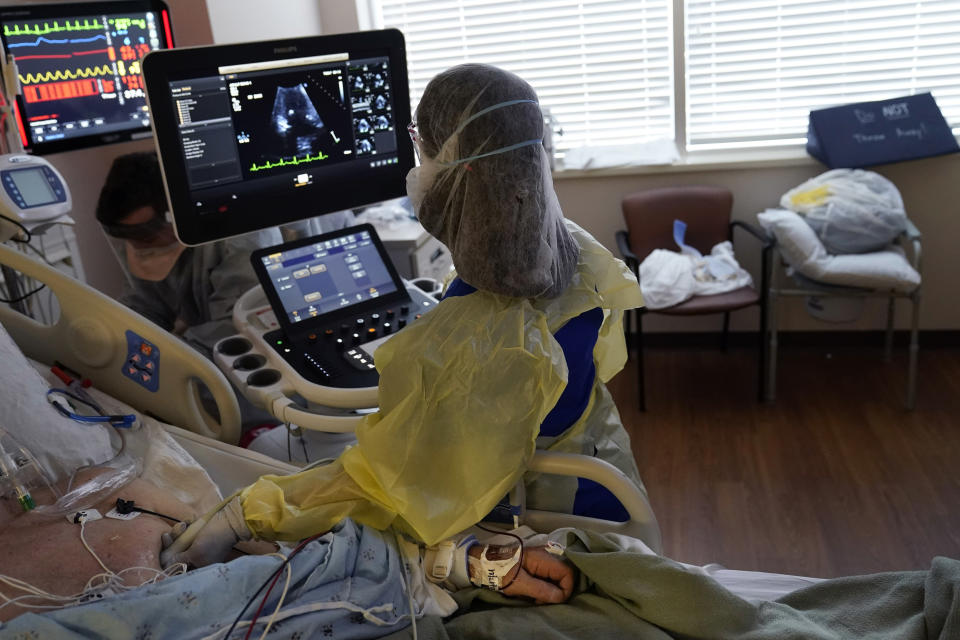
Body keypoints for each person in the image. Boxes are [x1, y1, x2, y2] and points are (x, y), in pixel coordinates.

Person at [161, 64, 646, 584]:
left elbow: (384, 481)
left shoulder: (483, 331)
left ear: (459, 169)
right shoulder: (569, 250)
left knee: (275, 456)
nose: (418, 164)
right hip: (601, 483)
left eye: (421, 145)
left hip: (540, 523)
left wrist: (245, 513)